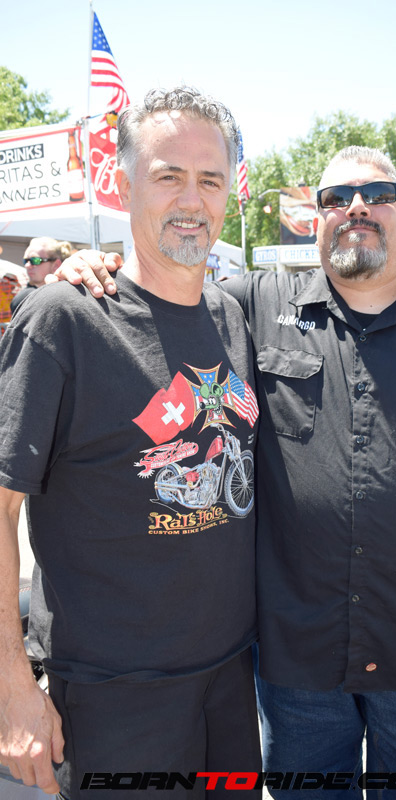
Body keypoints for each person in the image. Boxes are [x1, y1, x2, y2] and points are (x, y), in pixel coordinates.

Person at [54, 145, 396, 800]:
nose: (356, 208)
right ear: (315, 220)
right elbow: (159, 298)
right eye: (336, 198)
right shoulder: (248, 307)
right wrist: (96, 267)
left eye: (377, 195)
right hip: (298, 662)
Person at [0, 87, 261, 800]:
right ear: (121, 185)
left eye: (209, 179)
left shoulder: (231, 315)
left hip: (231, 681)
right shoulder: (65, 319)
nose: (191, 199)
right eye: (167, 175)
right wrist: (12, 687)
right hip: (114, 698)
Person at [10, 237, 73, 314]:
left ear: (56, 265)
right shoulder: (23, 298)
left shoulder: (71, 295)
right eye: (26, 260)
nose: (27, 265)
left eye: (35, 260)